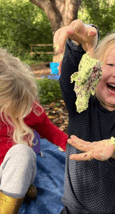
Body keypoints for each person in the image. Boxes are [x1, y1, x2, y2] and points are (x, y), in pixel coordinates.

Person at [54, 19, 115, 214]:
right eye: (110, 63)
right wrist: (83, 43)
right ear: (95, 69)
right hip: (76, 209)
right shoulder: (80, 105)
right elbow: (69, 78)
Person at [0, 48, 68, 214]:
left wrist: (76, 146)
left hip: (13, 170)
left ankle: (8, 205)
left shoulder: (29, 109)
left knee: (23, 153)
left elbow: (53, 133)